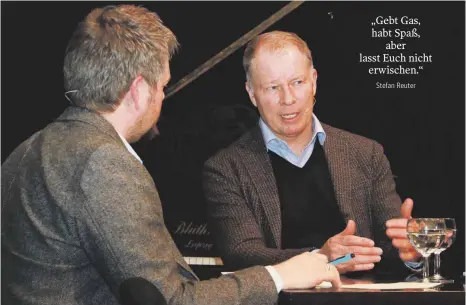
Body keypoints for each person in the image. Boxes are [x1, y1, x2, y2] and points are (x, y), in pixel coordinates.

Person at [1, 7, 341, 305]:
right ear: (138, 90)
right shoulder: (103, 162)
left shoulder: (29, 148)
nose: (163, 99)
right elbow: (174, 300)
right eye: (162, 86)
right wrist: (280, 276)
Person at [202, 31, 421, 275]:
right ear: (252, 93)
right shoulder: (225, 168)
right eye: (273, 87)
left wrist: (409, 253)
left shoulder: (366, 153)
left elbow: (391, 248)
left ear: (314, 81)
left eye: (298, 82)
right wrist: (321, 257)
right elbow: (241, 254)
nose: (288, 99)